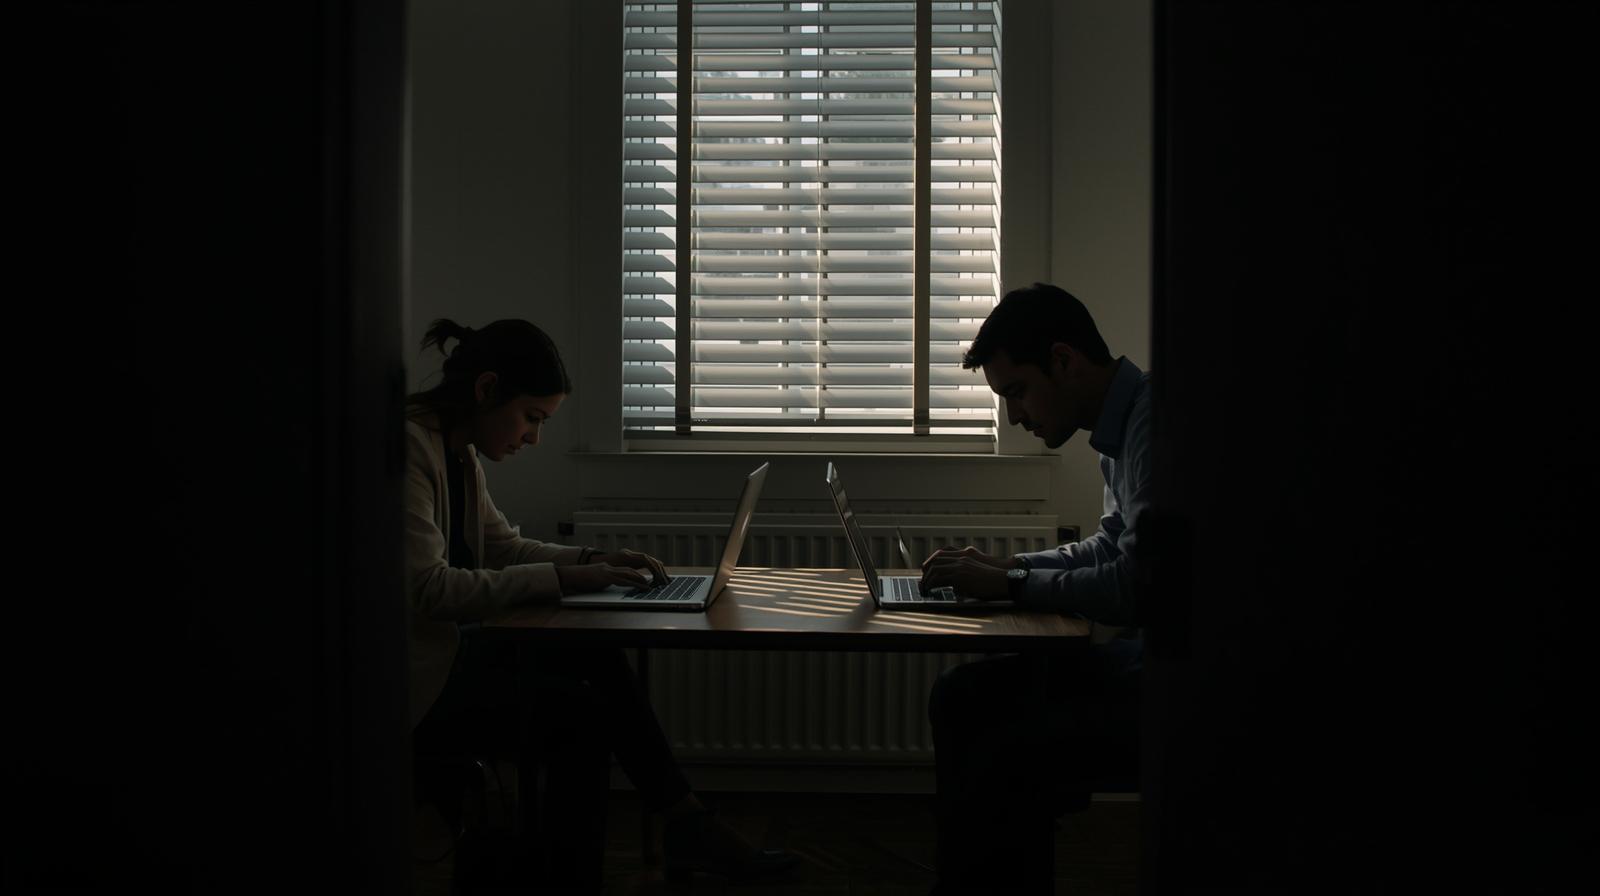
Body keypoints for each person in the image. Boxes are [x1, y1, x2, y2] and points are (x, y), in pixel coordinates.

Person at [405, 317, 797, 890]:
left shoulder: (457, 449)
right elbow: (430, 589)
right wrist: (567, 581)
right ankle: (607, 862)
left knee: (597, 654)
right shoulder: (412, 448)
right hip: (419, 683)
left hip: (452, 655)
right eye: (532, 418)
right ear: (487, 390)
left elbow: (504, 546)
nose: (534, 437)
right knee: (580, 719)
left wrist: (591, 558)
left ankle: (683, 821)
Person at [920, 283, 1147, 893]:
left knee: (1003, 749)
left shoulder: (1155, 428)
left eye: (1017, 392)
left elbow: (1135, 587)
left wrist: (1012, 584)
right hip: (1139, 660)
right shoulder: (1120, 427)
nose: (1015, 416)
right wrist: (1007, 564)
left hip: (1169, 677)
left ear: (1063, 361)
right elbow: (1107, 547)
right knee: (957, 694)